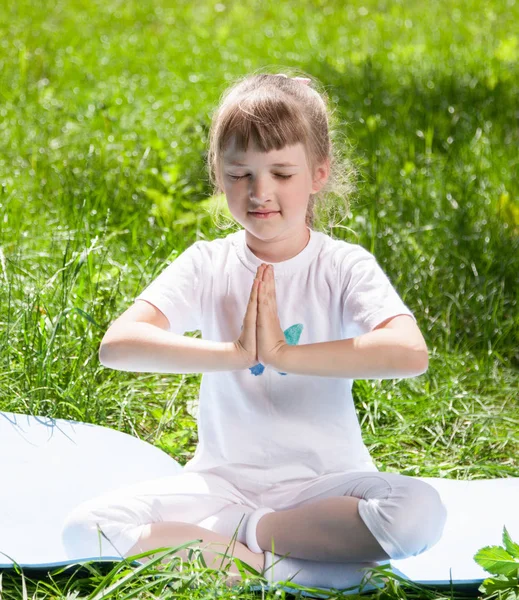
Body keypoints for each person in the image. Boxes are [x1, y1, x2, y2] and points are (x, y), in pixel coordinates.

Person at [61, 71, 447, 592]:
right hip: (220, 487)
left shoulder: (342, 265)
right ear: (219, 176)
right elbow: (118, 346)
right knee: (84, 530)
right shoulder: (207, 262)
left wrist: (284, 352)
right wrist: (237, 353)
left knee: (419, 514)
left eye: (281, 173)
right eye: (241, 173)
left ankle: (250, 542)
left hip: (325, 489)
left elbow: (408, 353)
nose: (260, 192)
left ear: (318, 174)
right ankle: (303, 571)